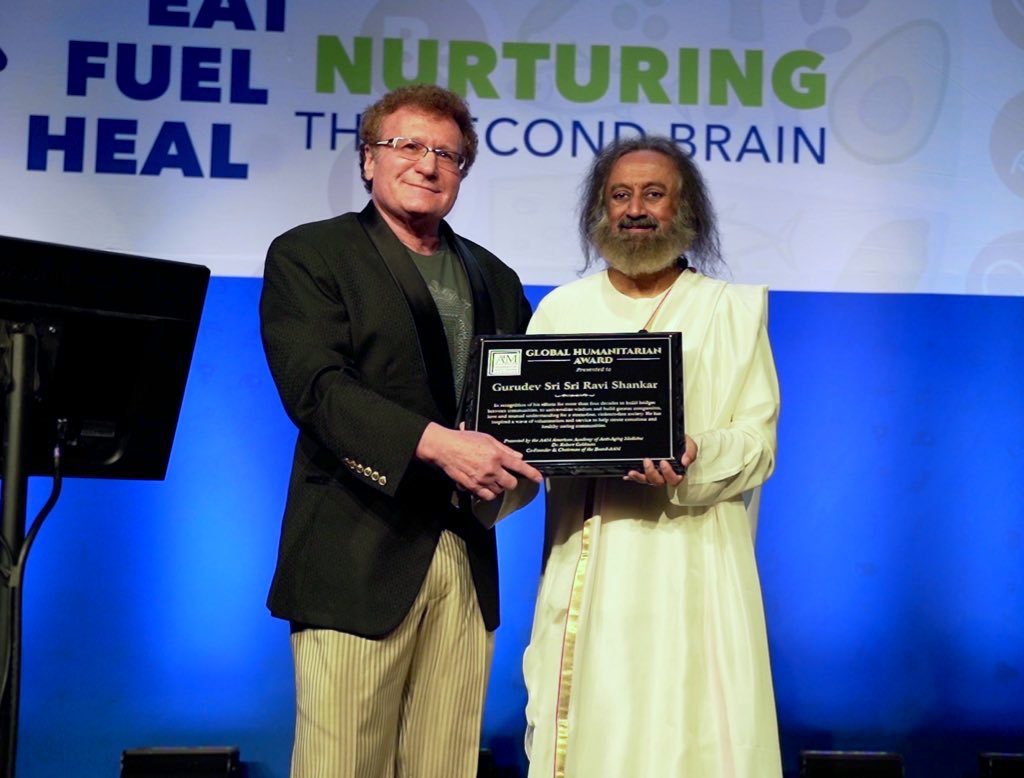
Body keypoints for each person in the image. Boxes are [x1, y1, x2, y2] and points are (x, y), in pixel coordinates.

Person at [259, 84, 542, 778]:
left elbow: (531, 405)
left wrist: (623, 442)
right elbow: (317, 389)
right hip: (356, 552)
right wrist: (441, 445)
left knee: (446, 766)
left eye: (447, 153)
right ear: (368, 160)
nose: (427, 164)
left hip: (464, 554)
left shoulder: (496, 277)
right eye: (407, 145)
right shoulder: (311, 254)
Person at [522, 136, 782, 777]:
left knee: (693, 733)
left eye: (654, 194)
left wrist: (696, 452)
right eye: (620, 195)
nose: (635, 209)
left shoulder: (731, 310)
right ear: (601, 209)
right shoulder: (561, 309)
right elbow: (529, 432)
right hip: (592, 558)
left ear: (684, 209)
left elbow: (757, 444)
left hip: (697, 563)